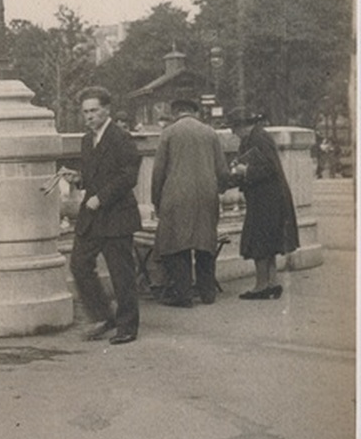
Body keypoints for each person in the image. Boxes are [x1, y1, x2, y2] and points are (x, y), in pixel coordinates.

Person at [67, 86, 141, 345]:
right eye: (85, 112)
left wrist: (102, 197)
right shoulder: (88, 140)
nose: (89, 116)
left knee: (121, 273)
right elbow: (93, 175)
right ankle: (102, 316)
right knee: (78, 264)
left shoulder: (121, 137)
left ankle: (127, 326)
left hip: (116, 214)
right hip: (93, 215)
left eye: (94, 111)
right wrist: (78, 179)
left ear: (106, 110)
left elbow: (129, 175)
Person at [150, 98, 229, 307]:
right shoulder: (210, 133)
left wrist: (156, 200)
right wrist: (219, 188)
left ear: (176, 112)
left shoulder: (168, 133)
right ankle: (207, 292)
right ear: (195, 112)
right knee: (205, 244)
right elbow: (222, 170)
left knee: (177, 245)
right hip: (206, 195)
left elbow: (158, 172)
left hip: (177, 196)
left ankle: (183, 294)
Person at [226, 108, 299, 299]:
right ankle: (272, 283)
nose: (234, 133)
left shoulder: (258, 138)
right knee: (269, 241)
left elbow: (268, 168)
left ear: (243, 126)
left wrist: (245, 170)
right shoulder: (257, 137)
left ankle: (261, 286)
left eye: (234, 128)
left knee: (258, 240)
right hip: (270, 197)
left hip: (266, 199)